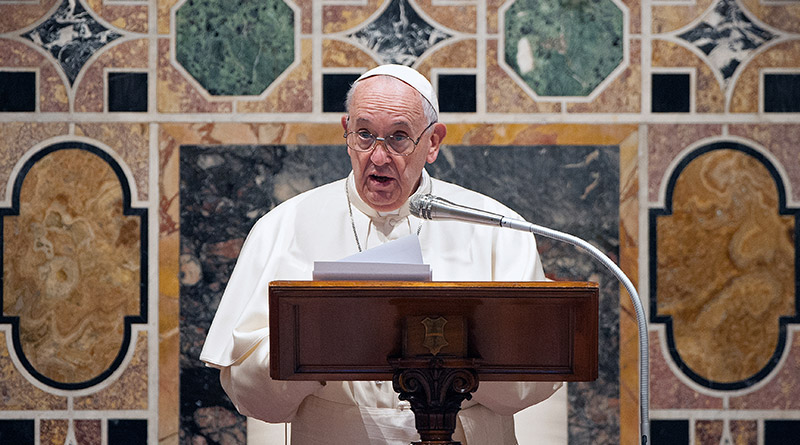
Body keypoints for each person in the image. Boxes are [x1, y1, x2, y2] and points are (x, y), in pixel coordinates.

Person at [200, 64, 561, 444]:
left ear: (433, 141)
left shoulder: (496, 228)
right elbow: (251, 397)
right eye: (365, 135)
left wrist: (452, 356)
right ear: (346, 132)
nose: (378, 156)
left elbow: (533, 378)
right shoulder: (283, 227)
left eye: (399, 138)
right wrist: (312, 346)